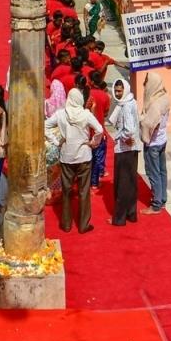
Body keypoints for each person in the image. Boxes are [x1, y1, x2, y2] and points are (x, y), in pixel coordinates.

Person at [45, 85, 102, 234]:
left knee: (66, 191)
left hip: (67, 156)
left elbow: (45, 126)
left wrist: (56, 141)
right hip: (84, 156)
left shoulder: (61, 114)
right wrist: (93, 142)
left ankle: (66, 224)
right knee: (84, 191)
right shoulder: (86, 114)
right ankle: (83, 225)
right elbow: (100, 130)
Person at [107, 77, 142, 226]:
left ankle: (119, 218)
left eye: (119, 91)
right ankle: (131, 214)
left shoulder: (126, 106)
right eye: (116, 90)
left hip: (124, 149)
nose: (117, 93)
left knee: (122, 185)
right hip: (132, 149)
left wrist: (121, 137)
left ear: (125, 90)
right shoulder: (130, 101)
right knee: (131, 183)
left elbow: (129, 129)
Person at [140, 71, 170, 213]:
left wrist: (141, 120)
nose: (144, 85)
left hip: (153, 143)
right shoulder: (165, 97)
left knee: (153, 173)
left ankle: (156, 204)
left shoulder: (155, 105)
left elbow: (148, 124)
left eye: (146, 82)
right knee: (162, 171)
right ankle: (162, 198)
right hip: (162, 139)